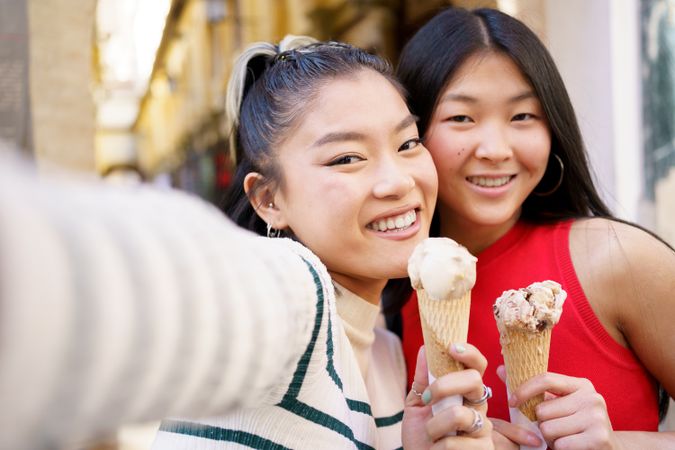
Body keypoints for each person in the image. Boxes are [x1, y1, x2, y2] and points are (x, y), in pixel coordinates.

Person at [0, 37, 495, 449]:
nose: (397, 181)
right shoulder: (297, 300)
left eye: (408, 144)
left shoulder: (389, 352)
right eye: (346, 158)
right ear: (268, 200)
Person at [390, 7, 675, 450]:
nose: (495, 149)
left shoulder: (618, 259)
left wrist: (617, 444)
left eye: (522, 116)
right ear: (412, 135)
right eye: (461, 118)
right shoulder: (392, 298)